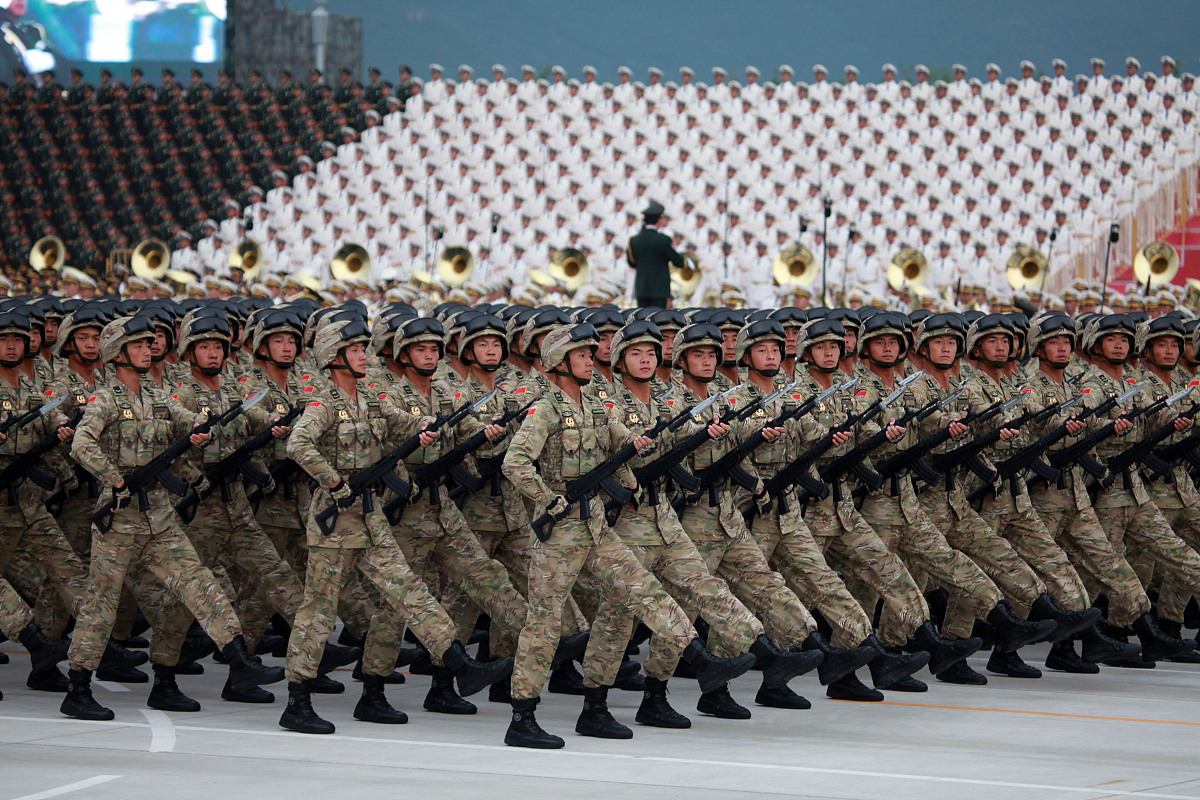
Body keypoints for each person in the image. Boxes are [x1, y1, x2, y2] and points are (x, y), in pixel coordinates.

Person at [627, 202, 685, 308]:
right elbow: (679, 262)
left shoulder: (634, 240)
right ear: (659, 220)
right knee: (658, 321)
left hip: (642, 290)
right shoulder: (664, 240)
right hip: (660, 291)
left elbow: (632, 263)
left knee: (642, 321)